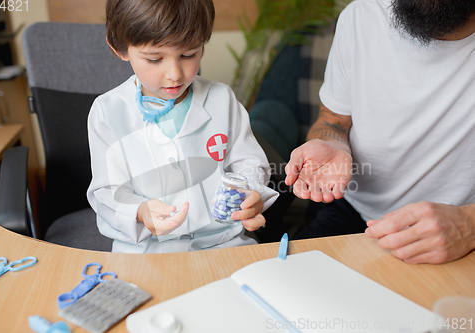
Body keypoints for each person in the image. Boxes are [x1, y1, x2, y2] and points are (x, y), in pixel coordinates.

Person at [285, 0, 475, 264]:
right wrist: (332, 145)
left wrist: (468, 224)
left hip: (460, 225)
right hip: (353, 211)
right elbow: (332, 121)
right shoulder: (361, 16)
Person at [87, 0, 278, 253]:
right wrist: (140, 212)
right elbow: (107, 190)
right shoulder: (108, 112)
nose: (175, 73)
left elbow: (249, 163)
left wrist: (250, 195)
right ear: (120, 49)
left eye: (188, 55)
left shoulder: (222, 100)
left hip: (223, 242)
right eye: (155, 59)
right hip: (146, 250)